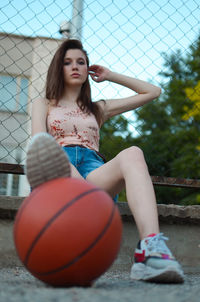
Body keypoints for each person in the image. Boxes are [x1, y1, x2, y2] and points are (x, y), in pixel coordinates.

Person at [25, 39, 184, 283]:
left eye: (81, 62)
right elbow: (38, 142)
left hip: (92, 174)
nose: (75, 66)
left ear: (88, 69)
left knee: (133, 153)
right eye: (67, 62)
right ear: (59, 68)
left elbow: (153, 91)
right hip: (56, 172)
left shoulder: (98, 108)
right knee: (49, 149)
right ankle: (84, 204)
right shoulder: (44, 103)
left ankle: (150, 250)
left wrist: (110, 75)